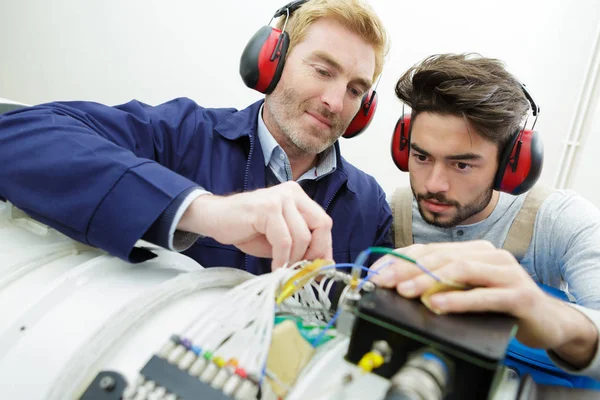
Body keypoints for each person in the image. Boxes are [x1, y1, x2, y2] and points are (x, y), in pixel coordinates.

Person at [0, 0, 393, 274]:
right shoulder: (182, 134)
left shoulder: (371, 206)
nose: (335, 102)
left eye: (356, 90)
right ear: (271, 61)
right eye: (323, 71)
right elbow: (16, 138)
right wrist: (205, 212)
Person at [371, 53, 600, 378]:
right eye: (421, 156)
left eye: (461, 164)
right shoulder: (392, 212)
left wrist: (549, 315)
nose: (433, 185)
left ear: (511, 164)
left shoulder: (560, 220)